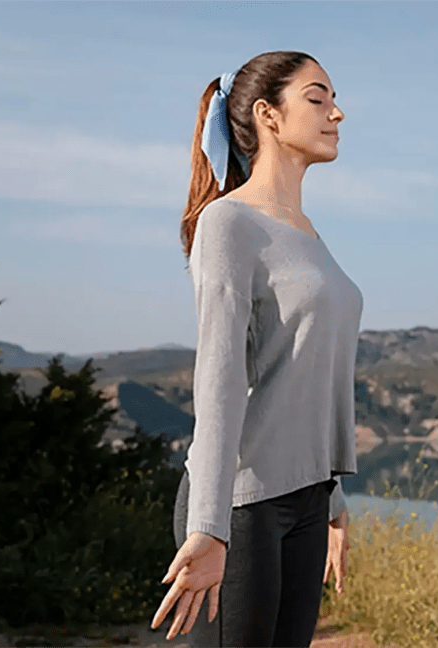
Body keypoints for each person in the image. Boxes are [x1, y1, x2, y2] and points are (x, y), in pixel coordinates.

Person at [149, 51, 362, 647]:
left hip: (307, 500)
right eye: (317, 98)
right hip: (242, 507)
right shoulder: (229, 223)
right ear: (268, 115)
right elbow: (219, 383)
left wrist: (334, 500)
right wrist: (210, 529)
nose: (336, 113)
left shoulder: (308, 234)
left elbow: (308, 377)